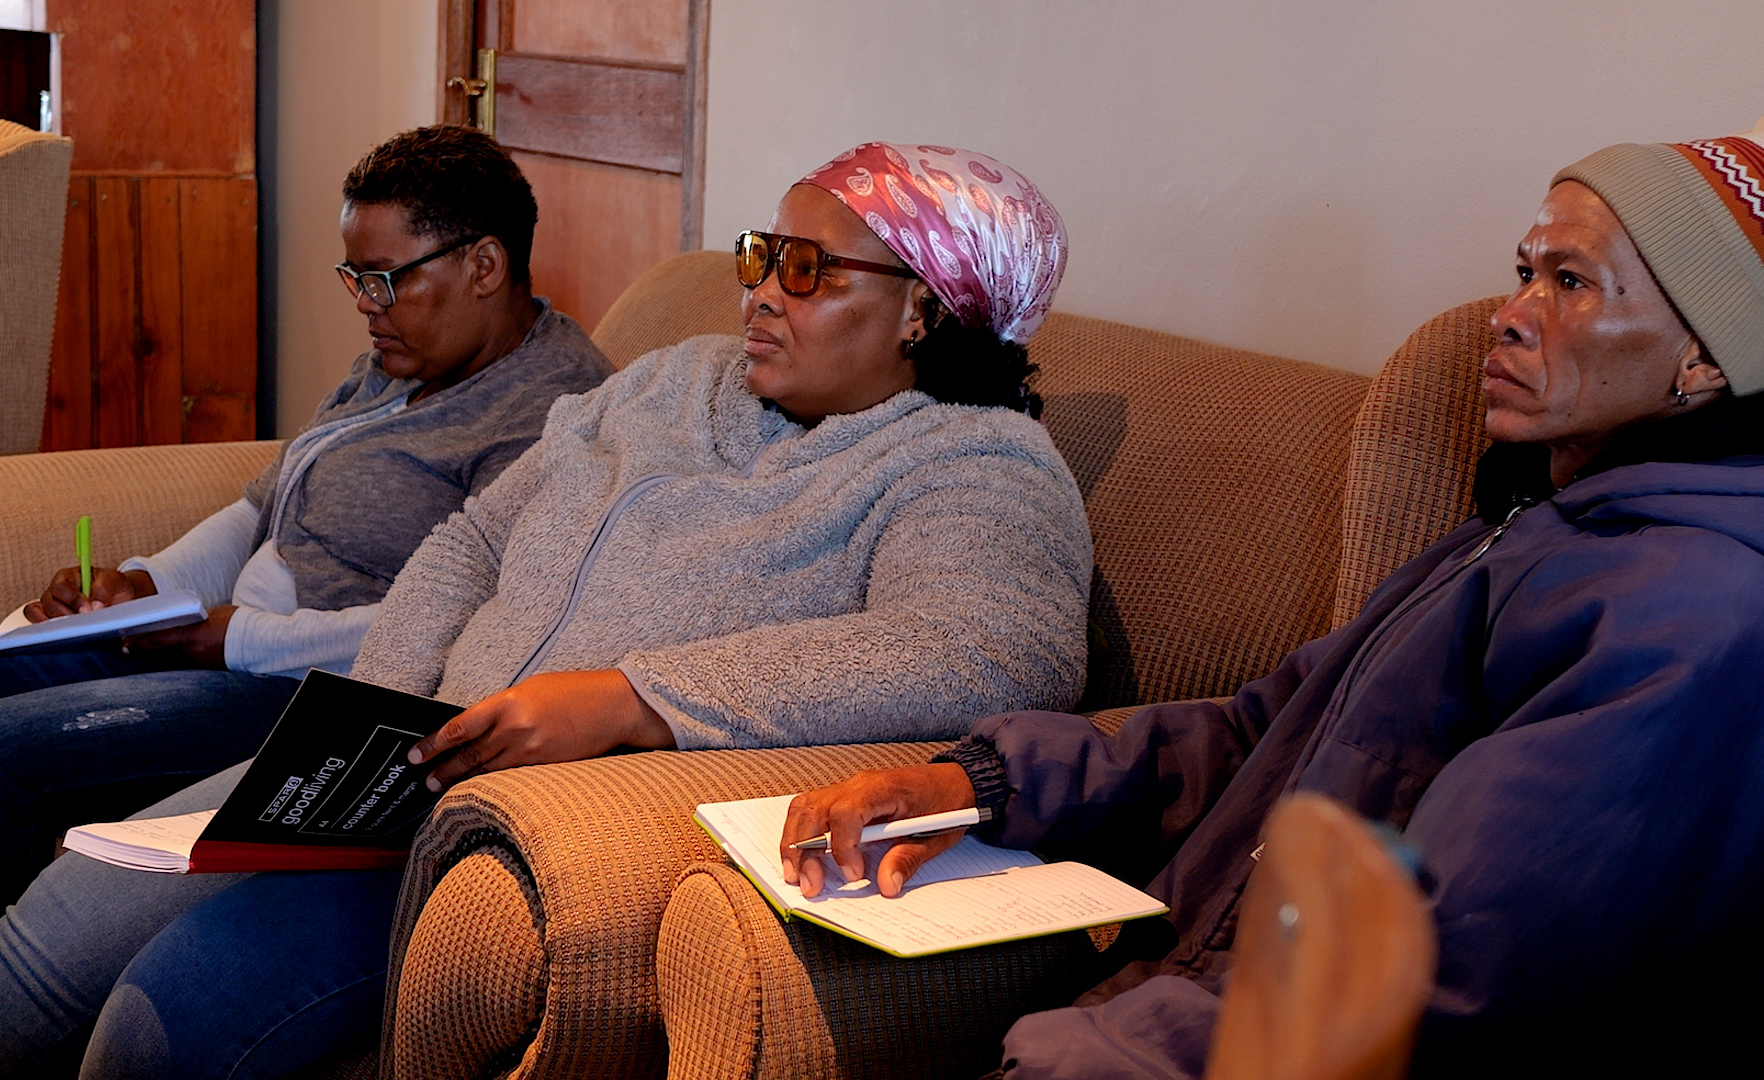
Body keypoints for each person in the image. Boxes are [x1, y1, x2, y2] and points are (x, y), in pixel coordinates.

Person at [782, 112, 1764, 1077]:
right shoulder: (1532, 531)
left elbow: (1452, 986)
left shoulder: (1713, 625)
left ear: (1706, 360)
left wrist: (1090, 1054)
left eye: (1571, 283)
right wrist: (977, 784)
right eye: (1525, 270)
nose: (1511, 312)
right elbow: (1260, 736)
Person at [0, 142, 1088, 1078]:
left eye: (806, 271)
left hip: (516, 831)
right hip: (397, 765)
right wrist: (374, 713)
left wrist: (631, 700)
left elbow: (992, 652)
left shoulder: (973, 459)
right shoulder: (677, 378)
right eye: (762, 256)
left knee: (163, 1016)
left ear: (924, 309)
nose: (759, 294)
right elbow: (476, 537)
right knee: (51, 930)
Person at [0, 124, 614, 904]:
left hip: (313, 700)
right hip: (224, 651)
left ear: (484, 266)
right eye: (354, 275)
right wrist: (145, 584)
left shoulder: (559, 417)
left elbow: (473, 628)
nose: (364, 304)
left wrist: (236, 638)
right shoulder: (402, 361)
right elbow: (262, 505)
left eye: (384, 279)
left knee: (10, 752)